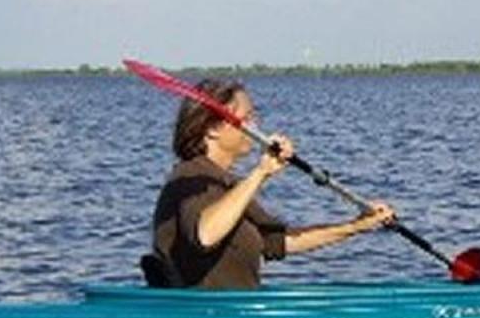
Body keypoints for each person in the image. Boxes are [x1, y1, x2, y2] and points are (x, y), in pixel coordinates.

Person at [148, 77, 397, 289]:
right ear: (213, 129)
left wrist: (355, 226)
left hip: (236, 317)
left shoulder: (228, 186)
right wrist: (261, 172)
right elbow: (205, 234)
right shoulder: (188, 179)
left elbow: (281, 242)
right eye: (247, 118)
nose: (254, 127)